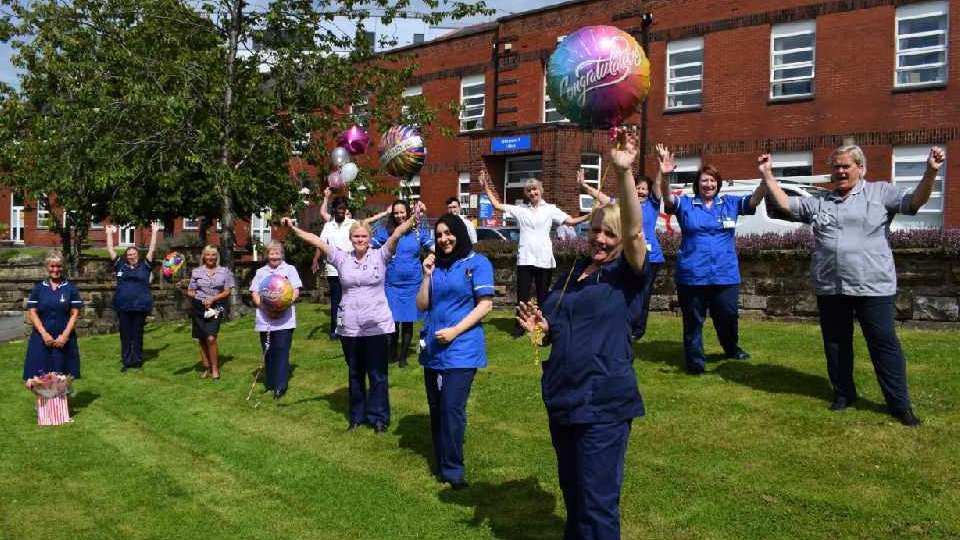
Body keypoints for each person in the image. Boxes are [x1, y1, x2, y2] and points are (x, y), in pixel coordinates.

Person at [516, 127, 646, 540]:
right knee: (573, 496)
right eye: (596, 231)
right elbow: (552, 330)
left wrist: (623, 172)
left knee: (598, 502)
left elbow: (637, 236)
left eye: (610, 233)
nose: (601, 239)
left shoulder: (626, 275)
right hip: (563, 398)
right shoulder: (571, 273)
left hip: (603, 403)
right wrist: (539, 328)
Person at [759, 145, 945, 426]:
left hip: (873, 286)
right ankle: (844, 394)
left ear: (860, 167)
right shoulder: (821, 200)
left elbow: (914, 202)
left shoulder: (880, 193)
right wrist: (767, 174)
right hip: (831, 286)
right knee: (836, 343)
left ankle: (899, 405)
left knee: (883, 343)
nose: (841, 171)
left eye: (846, 166)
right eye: (836, 167)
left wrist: (930, 172)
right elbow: (785, 204)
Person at [283, 213, 417, 433]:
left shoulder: (381, 255)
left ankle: (379, 417)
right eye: (356, 236)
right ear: (350, 238)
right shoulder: (341, 258)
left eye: (364, 236)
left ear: (369, 237)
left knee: (377, 374)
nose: (360, 239)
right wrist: (293, 229)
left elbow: (397, 234)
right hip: (350, 327)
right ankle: (356, 416)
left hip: (377, 326)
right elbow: (316, 240)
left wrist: (413, 218)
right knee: (355, 373)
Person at [660, 145, 764, 374]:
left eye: (713, 180)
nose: (709, 184)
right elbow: (667, 198)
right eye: (704, 181)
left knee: (728, 315)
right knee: (693, 321)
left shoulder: (729, 204)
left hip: (725, 274)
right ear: (697, 184)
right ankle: (695, 363)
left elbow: (755, 200)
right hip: (692, 275)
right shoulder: (686, 204)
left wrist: (765, 177)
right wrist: (665, 176)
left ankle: (731, 348)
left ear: (718, 183)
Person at [416, 213, 494, 489]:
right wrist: (426, 277)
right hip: (433, 348)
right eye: (438, 235)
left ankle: (453, 469)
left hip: (461, 348)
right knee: (437, 409)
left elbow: (485, 305)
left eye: (448, 233)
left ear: (459, 233)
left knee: (452, 408)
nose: (443, 239)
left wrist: (455, 332)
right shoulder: (434, 266)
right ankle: (442, 462)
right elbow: (423, 304)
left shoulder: (477, 263)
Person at [479, 171, 589, 337]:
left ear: (541, 190)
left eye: (535, 189)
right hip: (525, 258)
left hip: (544, 259)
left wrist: (591, 214)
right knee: (522, 297)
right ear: (526, 193)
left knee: (543, 296)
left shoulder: (550, 210)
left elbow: (571, 221)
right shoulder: (521, 210)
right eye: (529, 190)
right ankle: (519, 327)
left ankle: (543, 326)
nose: (532, 193)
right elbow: (496, 205)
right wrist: (485, 185)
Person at [578, 162, 666, 340]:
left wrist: (662, 172)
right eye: (637, 188)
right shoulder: (622, 205)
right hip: (628, 256)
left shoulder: (653, 204)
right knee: (624, 290)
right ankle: (623, 323)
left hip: (651, 258)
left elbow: (658, 186)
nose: (641, 192)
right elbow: (603, 198)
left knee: (644, 293)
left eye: (644, 189)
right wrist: (585, 186)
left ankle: (638, 330)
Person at [370, 200, 434, 367]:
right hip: (392, 285)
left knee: (408, 321)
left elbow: (435, 247)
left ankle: (403, 356)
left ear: (408, 212)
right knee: (392, 321)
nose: (399, 215)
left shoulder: (418, 233)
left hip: (413, 285)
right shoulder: (387, 233)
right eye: (396, 213)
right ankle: (392, 353)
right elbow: (370, 246)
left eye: (402, 212)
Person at [250, 240, 302, 400]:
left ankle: (280, 386)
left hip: (284, 319)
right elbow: (254, 293)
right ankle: (270, 383)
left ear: (282, 254)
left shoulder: (290, 270)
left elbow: (295, 292)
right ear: (267, 255)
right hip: (265, 319)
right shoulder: (260, 272)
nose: (274, 256)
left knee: (281, 350)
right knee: (268, 352)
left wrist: (282, 307)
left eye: (277, 253)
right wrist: (266, 309)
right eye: (271, 253)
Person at [106, 222, 160, 372]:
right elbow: (110, 250)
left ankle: (136, 360)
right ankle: (126, 360)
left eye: (134, 254)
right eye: (129, 255)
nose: (131, 256)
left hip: (140, 306)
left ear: (138, 255)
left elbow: (152, 249)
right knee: (125, 334)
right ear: (126, 256)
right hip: (123, 306)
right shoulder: (120, 265)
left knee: (137, 334)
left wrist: (155, 231)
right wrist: (109, 233)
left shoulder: (145, 265)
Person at [23, 251, 83, 380]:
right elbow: (32, 312)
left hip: (63, 340)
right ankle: (44, 401)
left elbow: (75, 314)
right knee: (39, 377)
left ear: (63, 267)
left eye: (59, 266)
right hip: (41, 339)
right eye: (52, 266)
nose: (55, 269)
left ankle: (62, 401)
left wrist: (65, 336)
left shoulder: (71, 289)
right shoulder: (38, 288)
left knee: (63, 377)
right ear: (47, 267)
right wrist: (44, 334)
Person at [186, 245, 235, 380]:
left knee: (211, 337)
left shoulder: (225, 272)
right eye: (208, 254)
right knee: (202, 338)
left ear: (217, 256)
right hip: (199, 307)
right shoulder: (196, 272)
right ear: (204, 256)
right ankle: (206, 367)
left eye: (213, 255)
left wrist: (213, 298)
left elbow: (227, 291)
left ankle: (215, 368)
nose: (210, 257)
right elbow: (191, 291)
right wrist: (197, 297)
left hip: (217, 307)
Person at [313, 192, 356, 341]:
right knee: (336, 301)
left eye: (343, 208)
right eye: (338, 208)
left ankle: (350, 327)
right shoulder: (328, 226)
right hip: (333, 269)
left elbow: (360, 242)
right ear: (334, 209)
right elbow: (321, 244)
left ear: (346, 209)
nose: (340, 210)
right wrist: (315, 259)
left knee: (349, 300)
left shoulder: (352, 224)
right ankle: (336, 329)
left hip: (350, 268)